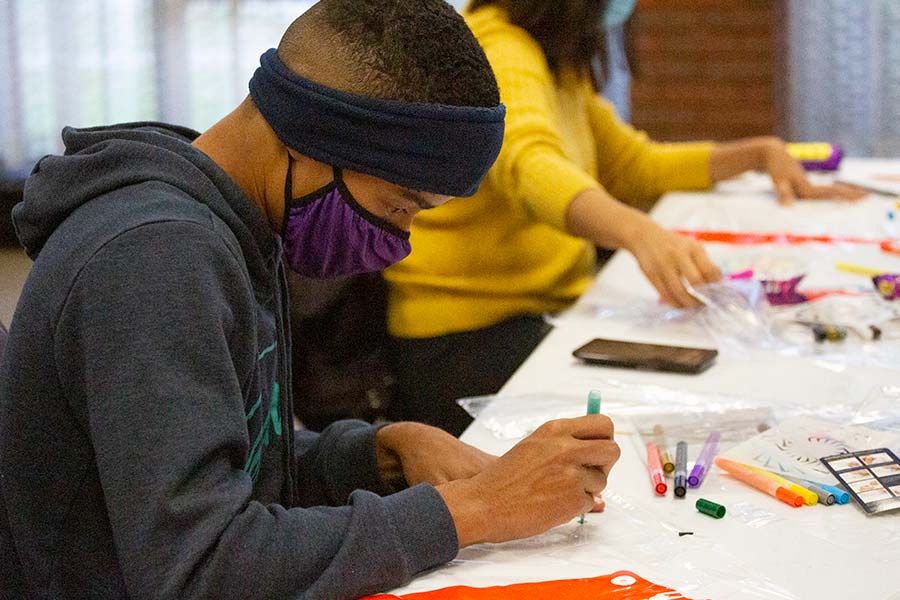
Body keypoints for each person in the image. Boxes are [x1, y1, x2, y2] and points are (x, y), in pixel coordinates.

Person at [0, 2, 621, 598]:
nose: (401, 241)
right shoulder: (156, 256)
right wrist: (474, 509)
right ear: (313, 139)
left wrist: (377, 455)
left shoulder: (237, 222)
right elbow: (199, 566)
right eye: (399, 205)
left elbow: (226, 459)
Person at [384, 0, 868, 436]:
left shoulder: (552, 59)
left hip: (535, 314)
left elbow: (631, 164)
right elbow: (529, 165)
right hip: (470, 338)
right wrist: (638, 232)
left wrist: (754, 154)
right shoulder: (502, 49)